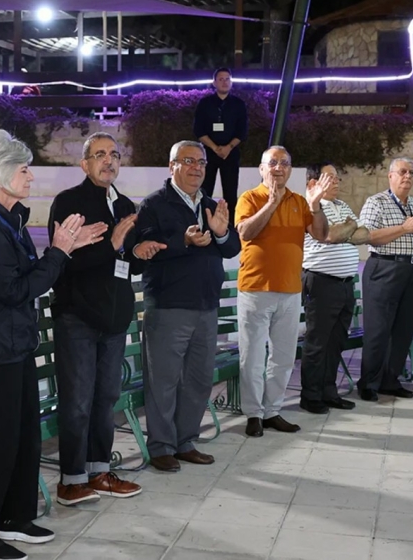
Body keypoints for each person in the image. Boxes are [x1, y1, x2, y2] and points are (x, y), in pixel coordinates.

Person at [0, 129, 108, 560]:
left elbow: (31, 276)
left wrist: (65, 249)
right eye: (23, 169)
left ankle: (16, 517)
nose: (31, 176)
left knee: (25, 438)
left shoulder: (12, 219)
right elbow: (13, 290)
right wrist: (59, 252)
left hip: (17, 344)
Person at [48, 132, 143, 505]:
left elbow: (125, 261)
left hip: (114, 319)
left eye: (114, 154)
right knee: (77, 402)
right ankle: (71, 480)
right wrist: (112, 245)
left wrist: (140, 252)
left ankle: (99, 471)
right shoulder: (69, 202)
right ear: (84, 164)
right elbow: (64, 263)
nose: (108, 161)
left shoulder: (125, 205)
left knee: (106, 398)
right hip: (78, 318)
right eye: (100, 154)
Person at [135, 140, 241, 473]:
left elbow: (232, 247)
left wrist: (221, 234)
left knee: (197, 379)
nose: (197, 168)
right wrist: (183, 240)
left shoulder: (210, 204)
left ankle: (185, 442)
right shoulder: (154, 204)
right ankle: (161, 447)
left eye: (202, 162)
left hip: (206, 305)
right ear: (172, 166)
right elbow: (146, 248)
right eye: (189, 161)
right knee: (163, 381)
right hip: (169, 305)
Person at [234, 146, 330, 437]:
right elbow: (245, 232)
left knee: (284, 357)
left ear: (290, 170)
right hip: (255, 289)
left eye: (284, 163)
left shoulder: (299, 201)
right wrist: (271, 204)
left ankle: (272, 411)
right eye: (272, 162)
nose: (278, 167)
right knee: (252, 357)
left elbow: (321, 234)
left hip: (290, 290)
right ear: (262, 169)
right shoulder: (250, 198)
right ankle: (253, 413)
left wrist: (315, 206)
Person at [358, 157, 413, 401]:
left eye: (411, 173)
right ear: (390, 176)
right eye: (402, 172)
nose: (407, 177)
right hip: (385, 268)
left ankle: (390, 380)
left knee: (404, 329)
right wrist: (404, 228)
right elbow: (367, 236)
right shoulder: (376, 202)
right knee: (378, 329)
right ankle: (368, 383)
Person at [299, 163, 369, 414]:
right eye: (330, 178)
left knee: (336, 341)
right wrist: (348, 228)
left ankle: (329, 391)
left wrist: (345, 230)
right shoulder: (310, 207)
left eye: (338, 178)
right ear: (313, 182)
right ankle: (310, 395)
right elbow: (328, 236)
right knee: (318, 342)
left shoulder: (342, 206)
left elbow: (364, 234)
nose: (337, 182)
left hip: (345, 283)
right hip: (321, 281)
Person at [193, 67, 248, 226]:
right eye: (221, 79)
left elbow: (242, 131)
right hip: (208, 153)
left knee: (230, 192)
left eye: (227, 79)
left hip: (231, 153)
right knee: (205, 190)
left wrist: (228, 147)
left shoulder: (238, 104)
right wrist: (215, 148)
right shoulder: (205, 103)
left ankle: (230, 226)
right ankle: (203, 223)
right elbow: (198, 130)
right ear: (214, 82)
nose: (224, 82)